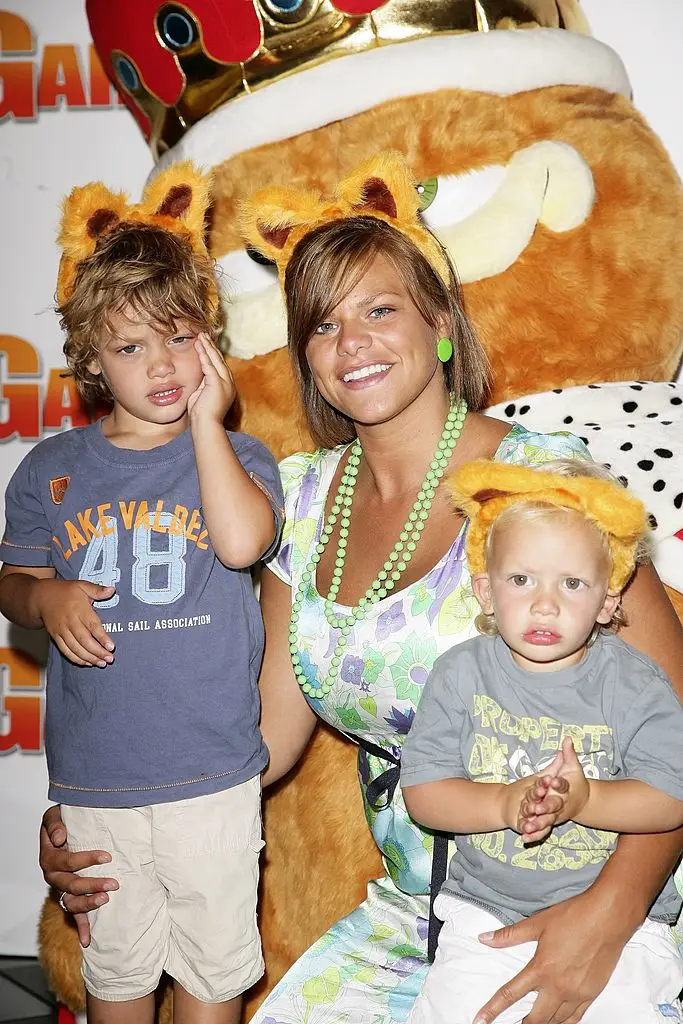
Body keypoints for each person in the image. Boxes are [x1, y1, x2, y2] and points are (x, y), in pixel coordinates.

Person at [38, 152, 683, 1024]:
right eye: (323, 323)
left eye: (379, 309)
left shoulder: (544, 484)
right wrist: (109, 813)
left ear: (440, 323)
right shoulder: (298, 506)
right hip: (413, 923)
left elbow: (675, 731)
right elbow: (254, 744)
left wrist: (609, 917)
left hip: (589, 901)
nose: (352, 343)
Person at [0, 166, 283, 1024]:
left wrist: (206, 424)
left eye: (179, 337)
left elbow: (242, 543)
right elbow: (14, 586)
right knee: (116, 977)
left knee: (212, 975)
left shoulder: (239, 457)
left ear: (210, 340)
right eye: (130, 347)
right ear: (90, 359)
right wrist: (47, 602)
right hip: (98, 782)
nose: (161, 365)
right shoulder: (50, 469)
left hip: (213, 777)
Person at [401, 458, 683, 1024]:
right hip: (485, 911)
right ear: (486, 591)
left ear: (608, 601)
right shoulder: (461, 675)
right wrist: (504, 803)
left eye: (572, 583)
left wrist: (586, 800)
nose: (545, 603)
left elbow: (672, 799)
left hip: (624, 926)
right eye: (521, 580)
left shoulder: (633, 684)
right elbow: (425, 793)